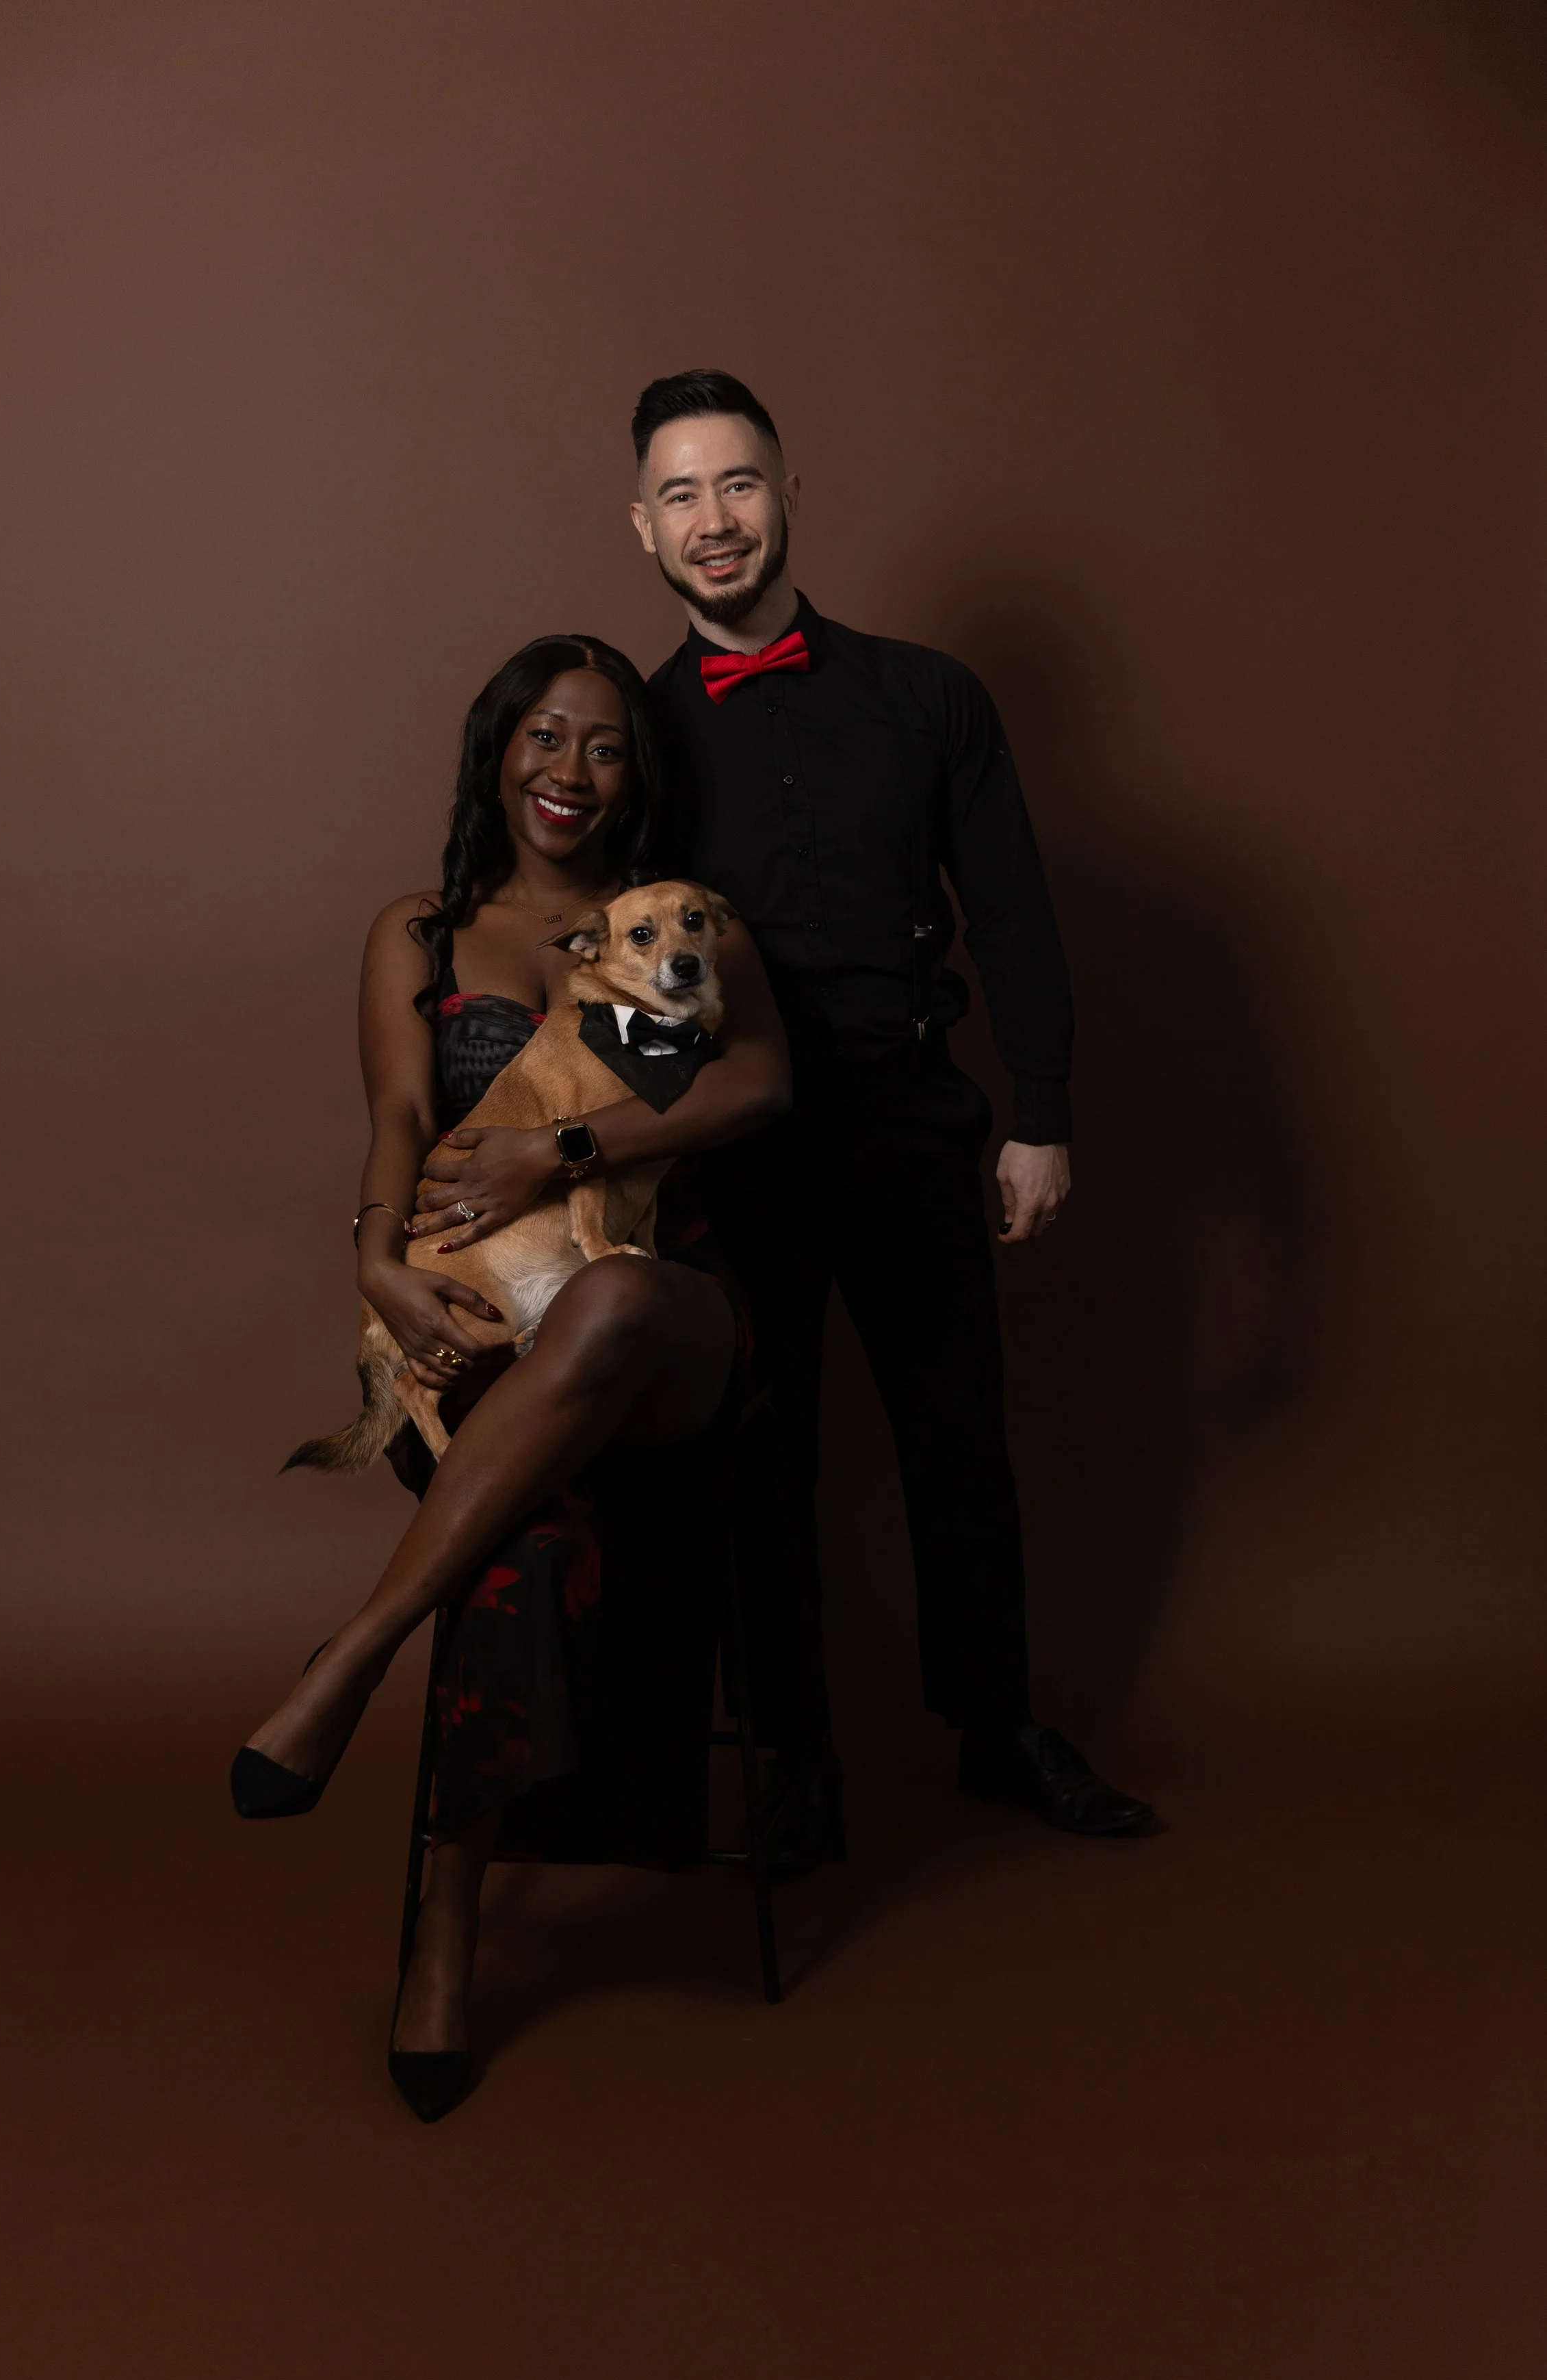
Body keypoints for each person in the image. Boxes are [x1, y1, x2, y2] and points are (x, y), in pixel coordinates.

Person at [233, 634, 791, 2119]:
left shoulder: (670, 919)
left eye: (604, 745)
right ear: (497, 750)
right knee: (514, 1547)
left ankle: (344, 1659)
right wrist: (372, 1262)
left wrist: (568, 1146)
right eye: (544, 736)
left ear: (635, 776)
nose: (569, 770)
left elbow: (758, 1081)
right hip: (486, 1333)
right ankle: (446, 1941)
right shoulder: (416, 933)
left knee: (608, 1302)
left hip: (665, 1321)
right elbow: (399, 1119)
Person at [627, 370, 1154, 1852]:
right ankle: (795, 1761)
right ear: (640, 530)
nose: (714, 520)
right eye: (680, 494)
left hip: (911, 1120)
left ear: (790, 492)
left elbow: (1012, 915)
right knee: (757, 1457)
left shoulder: (931, 696)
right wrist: (629, 1141)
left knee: (957, 1441)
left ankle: (996, 1725)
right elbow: (584, 953)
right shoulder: (631, 735)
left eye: (736, 483)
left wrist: (1036, 1111)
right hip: (731, 1148)